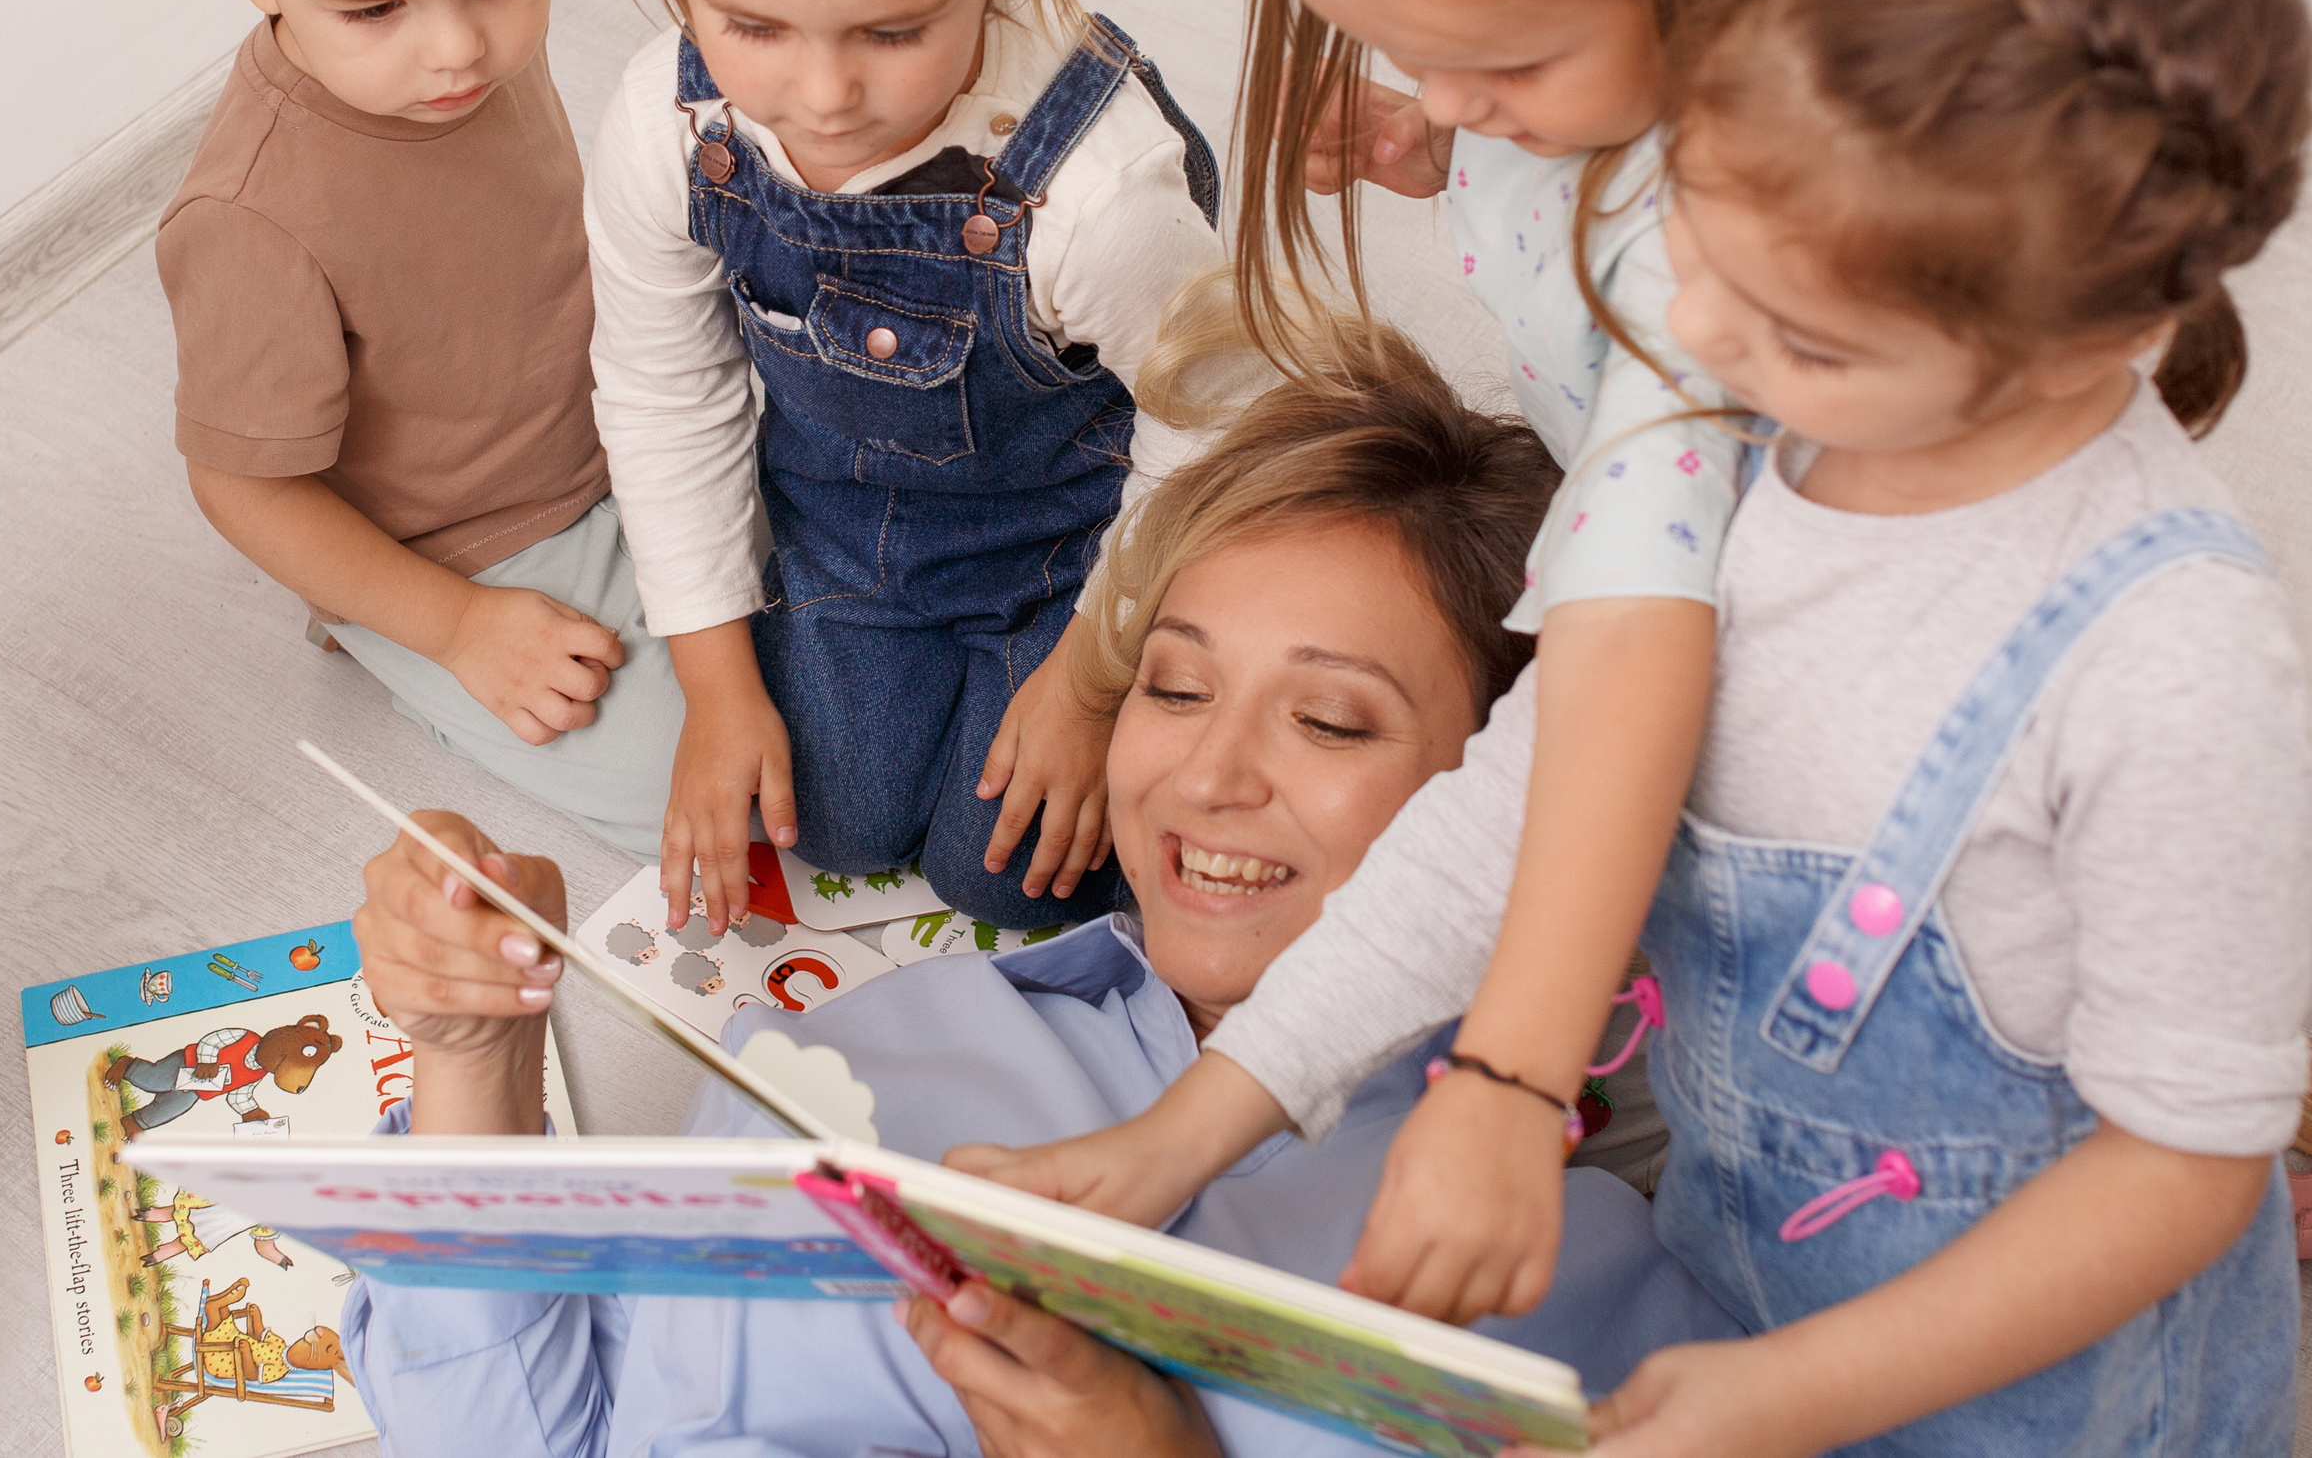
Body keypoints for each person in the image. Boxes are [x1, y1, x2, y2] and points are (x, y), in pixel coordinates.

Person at [971, 0, 2312, 1456]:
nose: (1689, 337)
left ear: (2093, 334)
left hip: (2050, 1400)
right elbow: (1501, 820)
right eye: (1702, 240)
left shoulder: (2172, 658)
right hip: (1738, 1281)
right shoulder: (1738, 437)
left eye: (1797, 328)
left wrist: (1799, 1389)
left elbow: (2179, 1167)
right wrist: (1193, 1126)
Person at [336, 321, 1741, 1458]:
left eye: (1327, 719)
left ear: (1520, 803)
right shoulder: (859, 1050)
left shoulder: (1582, 1295)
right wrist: (476, 1063)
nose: (1206, 774)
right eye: (1176, 686)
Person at [990, 0, 1809, 1308]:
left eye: (1500, 56)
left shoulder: (1710, 299)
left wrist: (1507, 1082)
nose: (1444, 95)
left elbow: (1603, 714)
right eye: (1407, 45)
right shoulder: (1579, 93)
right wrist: (1449, 138)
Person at [594, 0, 1228, 934]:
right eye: (754, 24)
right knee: (823, 820)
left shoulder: (1092, 193)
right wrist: (715, 683)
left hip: (1078, 542)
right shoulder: (664, 124)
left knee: (1002, 877)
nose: (823, 95)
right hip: (848, 529)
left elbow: (1219, 424)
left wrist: (1095, 676)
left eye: (891, 32)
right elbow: (660, 386)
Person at [160, 0, 685, 857]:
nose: (456, 49)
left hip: (620, 417)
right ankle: (397, 648)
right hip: (467, 552)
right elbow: (242, 487)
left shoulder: (465, 59)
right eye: (375, 6)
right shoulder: (254, 215)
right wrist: (457, 629)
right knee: (686, 781)